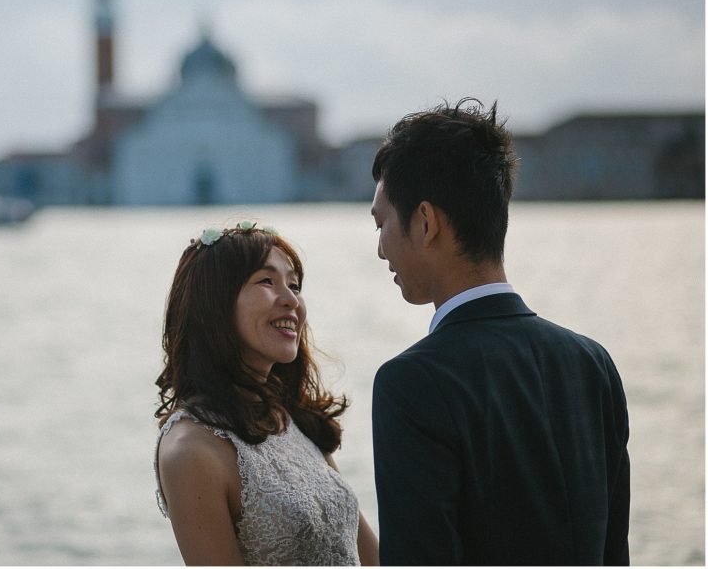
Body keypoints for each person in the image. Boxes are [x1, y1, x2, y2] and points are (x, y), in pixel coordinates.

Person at [368, 98, 630, 565]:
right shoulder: (593, 363)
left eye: (381, 222)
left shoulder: (410, 383)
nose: (381, 248)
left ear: (426, 222)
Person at [154, 221, 379, 566]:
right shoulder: (190, 450)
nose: (292, 301)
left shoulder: (290, 419)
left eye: (294, 284)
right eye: (266, 281)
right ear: (215, 302)